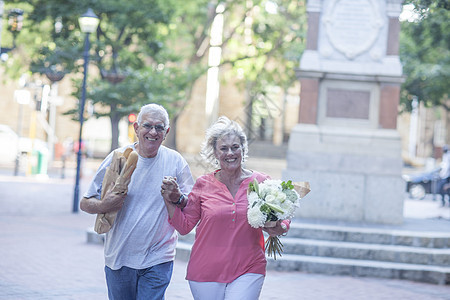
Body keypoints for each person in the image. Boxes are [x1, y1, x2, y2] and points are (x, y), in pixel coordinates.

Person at [160, 116, 290, 300]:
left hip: (249, 267)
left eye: (235, 147)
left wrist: (281, 226)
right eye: (224, 148)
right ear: (215, 153)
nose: (230, 153)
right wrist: (168, 199)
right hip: (206, 269)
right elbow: (185, 226)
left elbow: (281, 214)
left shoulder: (261, 182)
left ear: (243, 149)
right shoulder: (203, 184)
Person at [80, 103, 195, 300]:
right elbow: (85, 202)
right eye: (147, 126)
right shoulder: (118, 158)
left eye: (159, 127)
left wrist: (178, 198)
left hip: (159, 257)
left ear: (166, 132)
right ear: (136, 128)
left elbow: (192, 206)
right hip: (119, 256)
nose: (153, 132)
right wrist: (103, 205)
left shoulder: (175, 161)